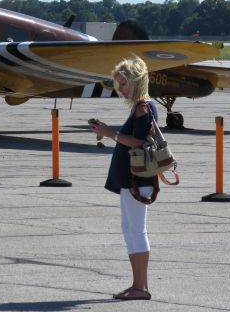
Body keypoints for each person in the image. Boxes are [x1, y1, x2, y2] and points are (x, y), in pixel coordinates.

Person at [89, 55, 158, 301]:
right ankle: (137, 284)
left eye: (125, 83)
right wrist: (110, 132)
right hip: (133, 179)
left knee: (136, 229)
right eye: (119, 84)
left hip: (138, 179)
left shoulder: (143, 107)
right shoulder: (140, 106)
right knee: (129, 229)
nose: (121, 88)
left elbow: (139, 142)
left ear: (137, 81)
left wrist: (111, 133)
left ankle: (142, 287)